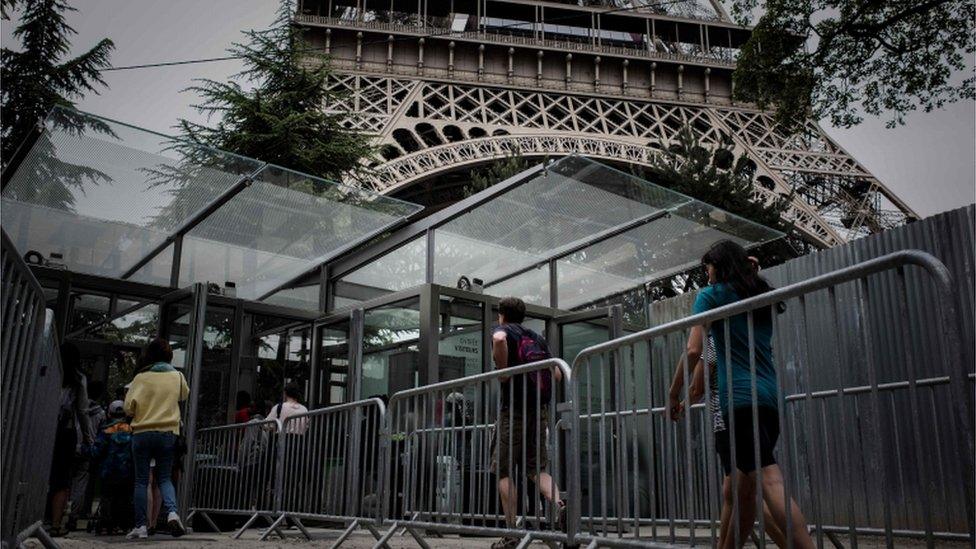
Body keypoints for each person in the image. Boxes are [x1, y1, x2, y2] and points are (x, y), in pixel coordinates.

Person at [671, 240, 814, 549]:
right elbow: (750, 278)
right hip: (768, 398)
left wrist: (673, 394)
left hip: (738, 400)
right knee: (744, 492)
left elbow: (694, 348)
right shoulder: (759, 293)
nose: (706, 274)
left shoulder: (710, 296)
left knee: (769, 482)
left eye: (708, 267)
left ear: (718, 267)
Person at [490, 297, 565, 549]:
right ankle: (559, 507)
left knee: (504, 470)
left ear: (502, 314)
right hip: (539, 411)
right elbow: (555, 373)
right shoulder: (536, 336)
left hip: (513, 411)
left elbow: (499, 340)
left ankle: (512, 534)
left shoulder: (504, 331)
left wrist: (503, 371)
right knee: (537, 469)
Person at [123, 338, 189, 539]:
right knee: (164, 478)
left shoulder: (140, 378)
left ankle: (141, 526)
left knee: (141, 480)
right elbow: (183, 395)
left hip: (142, 433)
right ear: (169, 356)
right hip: (168, 432)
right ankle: (172, 513)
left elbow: (128, 407)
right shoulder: (177, 376)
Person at [48, 342, 94, 537]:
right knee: (61, 479)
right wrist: (88, 437)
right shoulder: (77, 379)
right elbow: (83, 411)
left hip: (40, 426)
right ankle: (56, 524)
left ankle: (31, 517)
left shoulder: (47, 369)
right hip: (65, 431)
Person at [68, 380, 107, 531]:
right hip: (87, 449)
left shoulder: (74, 406)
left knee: (64, 482)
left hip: (70, 444)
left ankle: (54, 514)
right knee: (81, 482)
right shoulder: (101, 413)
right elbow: (101, 435)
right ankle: (74, 516)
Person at [91, 400, 134, 534]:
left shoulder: (106, 431)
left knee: (107, 497)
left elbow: (97, 451)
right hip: (126, 471)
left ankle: (106, 524)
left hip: (108, 471)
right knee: (124, 498)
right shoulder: (132, 431)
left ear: (110, 413)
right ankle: (123, 524)